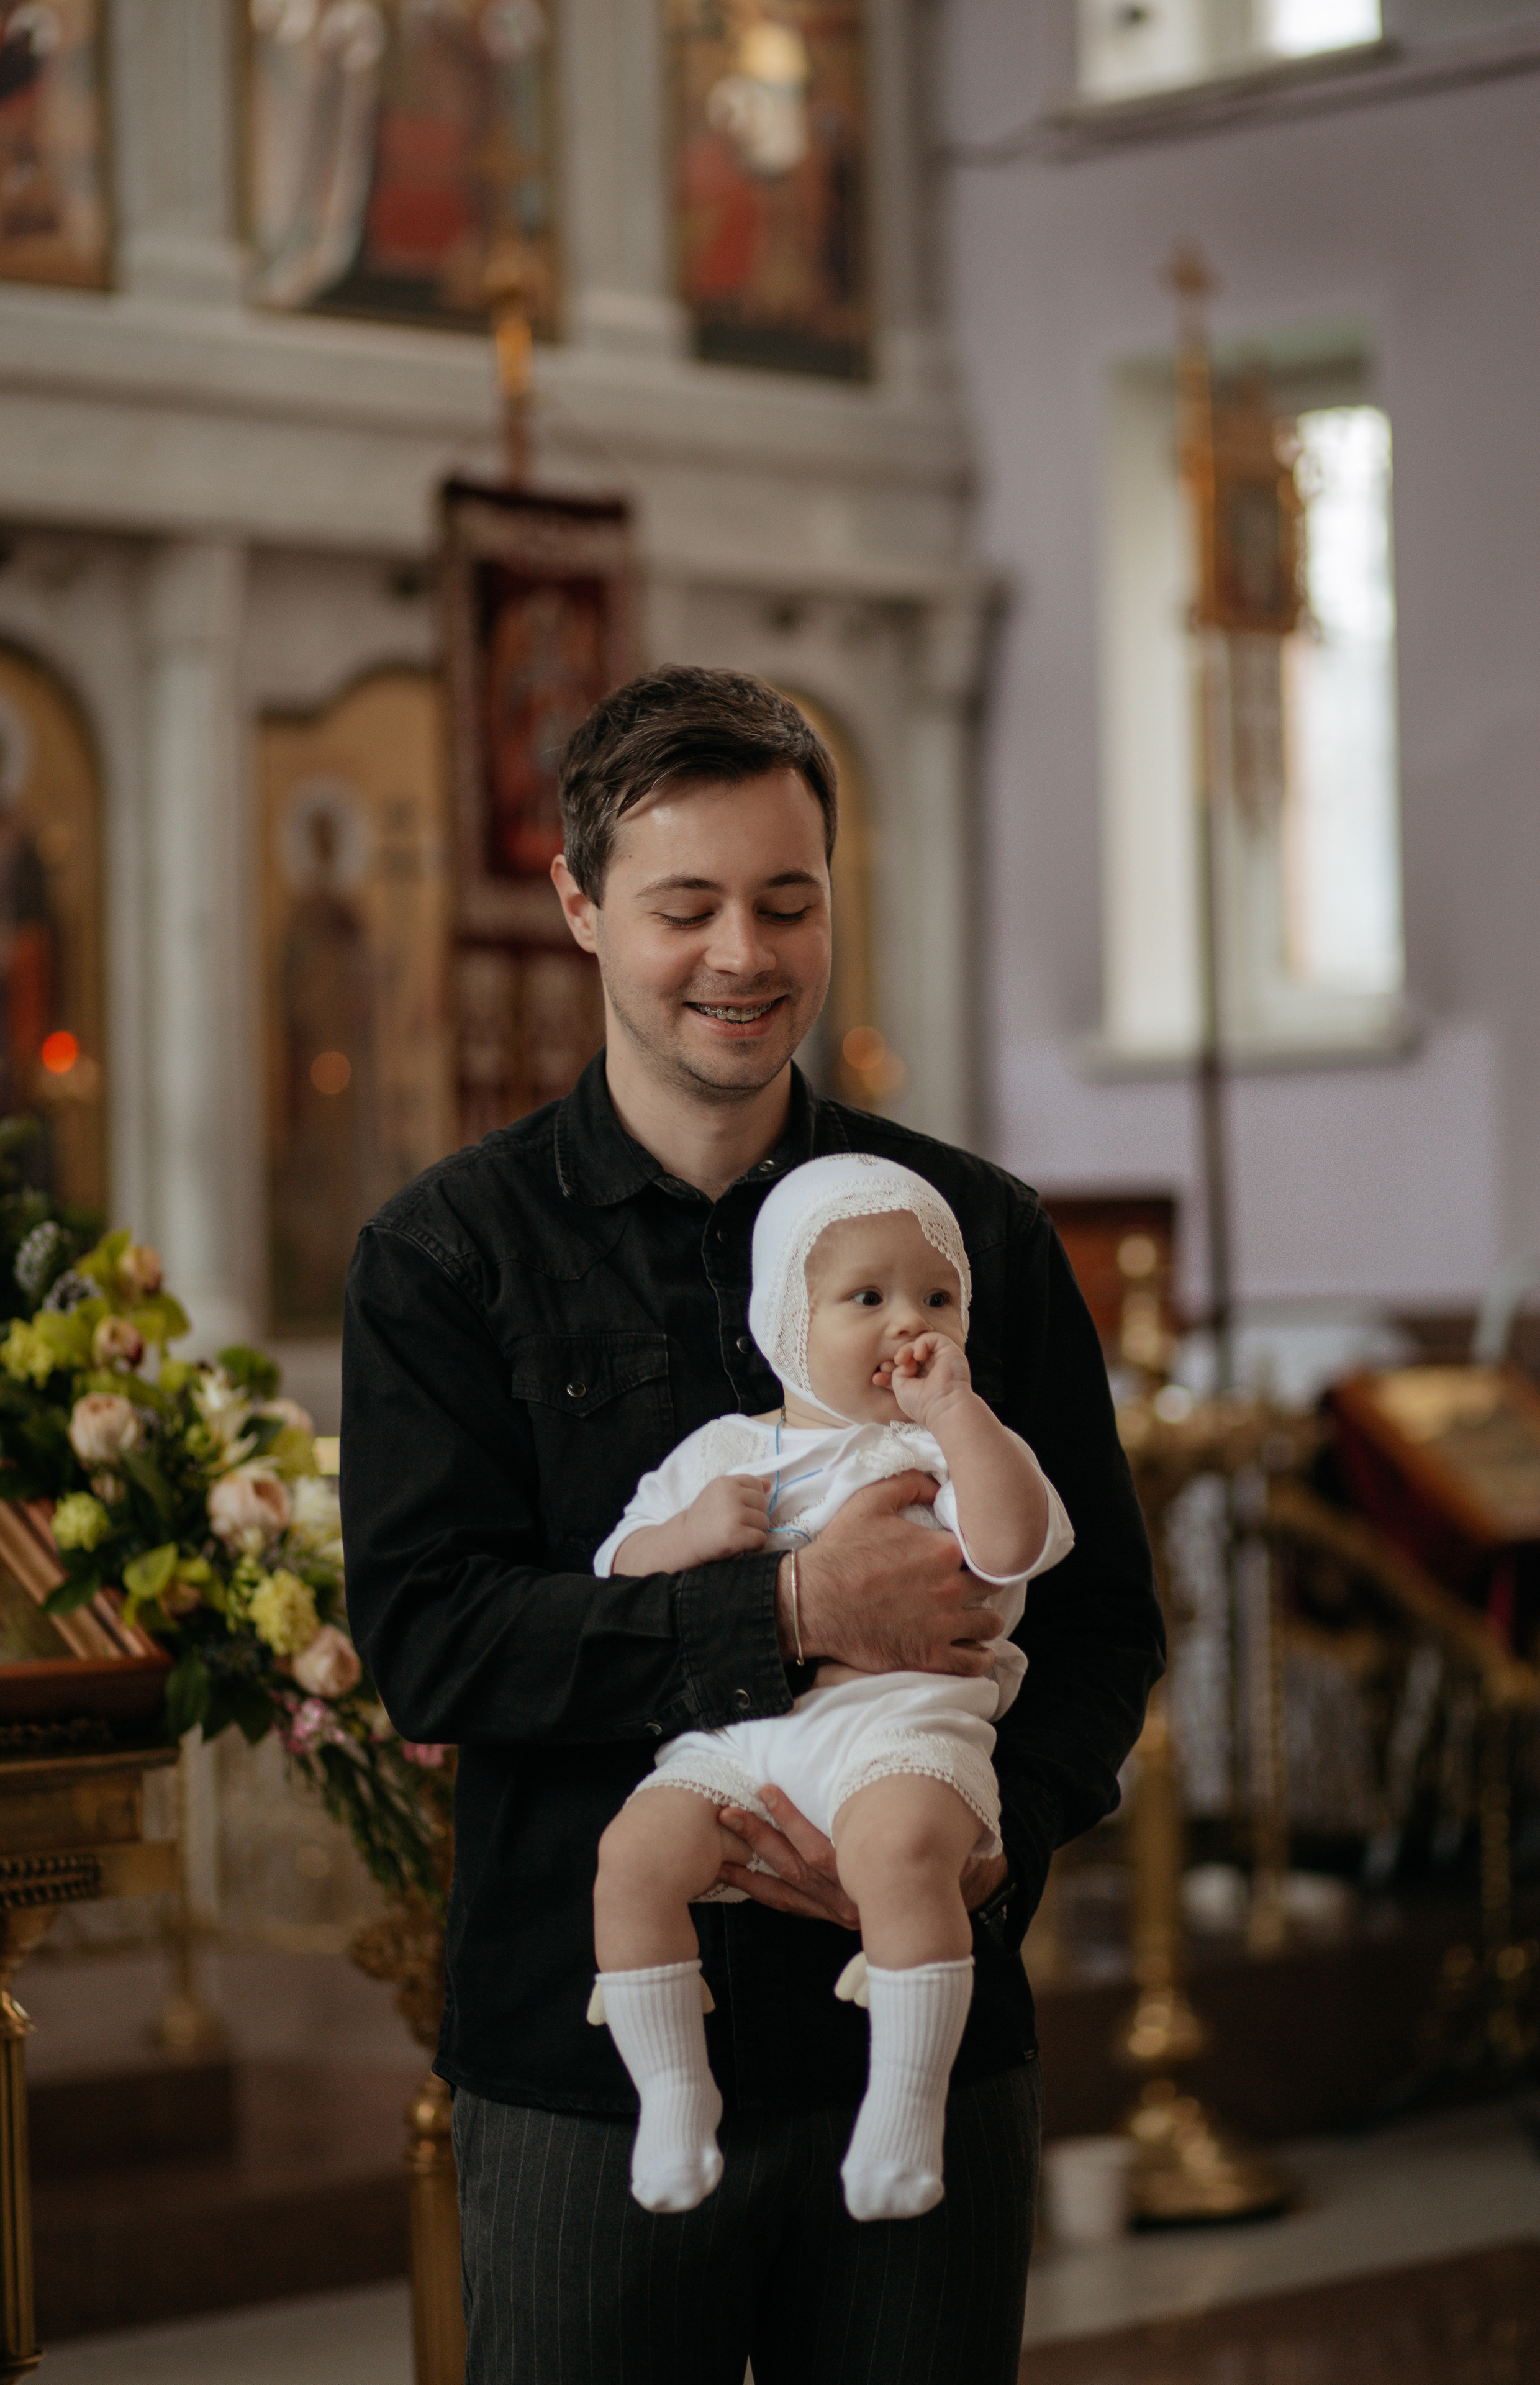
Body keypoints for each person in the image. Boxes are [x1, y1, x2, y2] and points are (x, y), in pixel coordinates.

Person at [342, 665, 1162, 2385]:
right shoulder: (448, 1256)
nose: (745, 954)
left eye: (788, 902)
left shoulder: (982, 1238)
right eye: (686, 906)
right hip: (589, 2076)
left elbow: (1104, 1634)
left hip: (927, 2034)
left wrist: (999, 1845)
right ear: (578, 906)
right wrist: (792, 1608)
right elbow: (434, 1644)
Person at [591, 1153, 1074, 2223]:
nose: (912, 1324)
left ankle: (904, 2107)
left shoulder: (954, 1452)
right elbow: (615, 1572)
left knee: (901, 1853)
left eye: (937, 1297)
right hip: (740, 1735)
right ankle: (675, 2091)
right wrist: (689, 1534)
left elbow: (1013, 1547)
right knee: (631, 1860)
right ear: (784, 1321)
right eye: (867, 1298)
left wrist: (958, 1417)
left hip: (900, 1724)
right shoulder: (725, 1454)